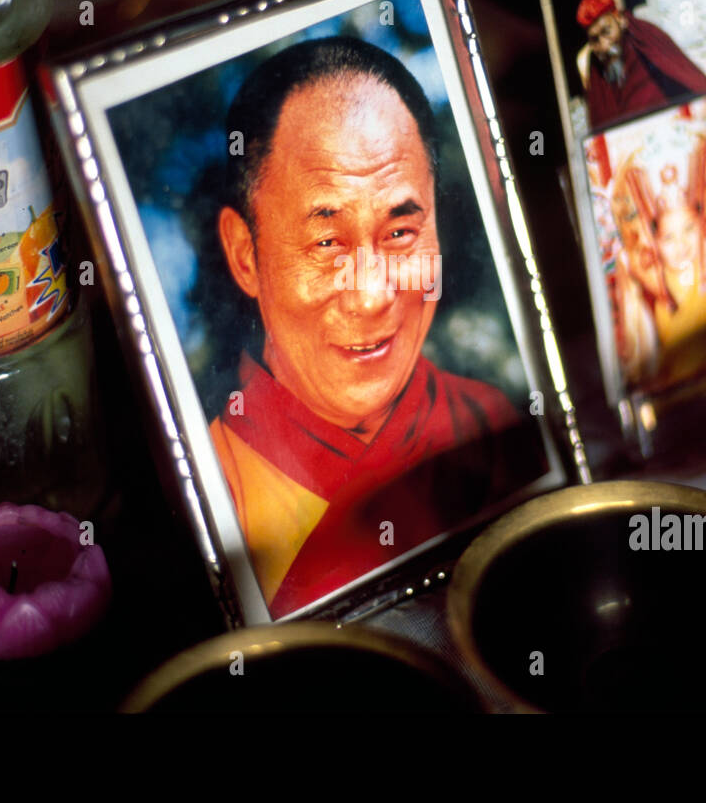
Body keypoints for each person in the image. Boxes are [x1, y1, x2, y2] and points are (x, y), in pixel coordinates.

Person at [208, 36, 525, 617]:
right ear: (245, 255)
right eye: (326, 242)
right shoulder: (214, 489)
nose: (375, 296)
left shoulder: (490, 420)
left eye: (400, 233)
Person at [575, 0, 706, 129]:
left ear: (620, 19)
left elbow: (687, 79)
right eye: (595, 40)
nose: (604, 46)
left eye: (607, 31)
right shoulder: (596, 70)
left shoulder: (645, 37)